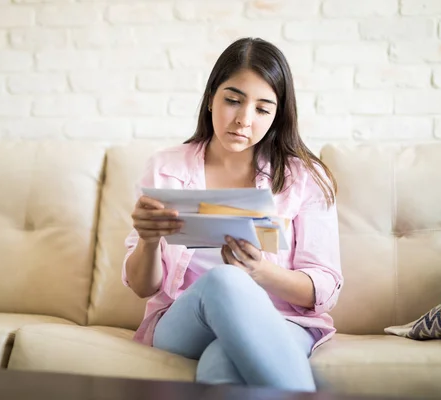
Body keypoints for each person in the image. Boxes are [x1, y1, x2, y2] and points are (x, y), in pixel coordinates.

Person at [121, 37, 343, 392]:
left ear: (277, 115)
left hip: (281, 320)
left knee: (220, 363)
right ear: (211, 98)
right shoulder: (165, 167)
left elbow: (324, 289)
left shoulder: (304, 178)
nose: (243, 120)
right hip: (184, 320)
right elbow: (143, 287)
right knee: (226, 281)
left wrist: (259, 271)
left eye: (262, 109)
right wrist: (148, 242)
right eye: (233, 100)